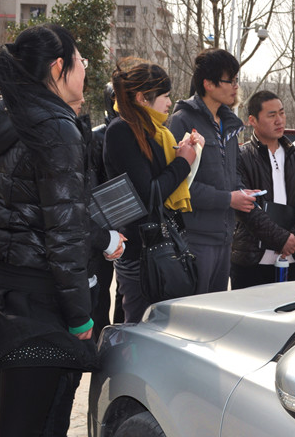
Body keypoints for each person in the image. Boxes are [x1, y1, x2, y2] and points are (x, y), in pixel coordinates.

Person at [0, 24, 124, 437]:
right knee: (39, 424)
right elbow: (63, 232)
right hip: (42, 305)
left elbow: (45, 210)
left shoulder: (15, 118)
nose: (85, 68)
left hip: (8, 291)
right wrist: (80, 316)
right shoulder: (54, 126)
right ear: (57, 68)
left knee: (8, 424)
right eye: (81, 61)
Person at [103, 57, 202, 324]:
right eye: (165, 96)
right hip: (141, 252)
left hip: (160, 246)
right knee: (142, 327)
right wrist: (183, 162)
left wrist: (187, 154)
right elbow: (149, 194)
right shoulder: (122, 130)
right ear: (142, 98)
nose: (170, 102)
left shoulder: (155, 131)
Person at [168, 48, 256, 294]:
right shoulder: (183, 121)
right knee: (192, 311)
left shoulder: (228, 124)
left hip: (225, 238)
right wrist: (228, 199)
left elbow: (232, 173)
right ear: (208, 84)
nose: (236, 87)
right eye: (230, 81)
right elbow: (179, 185)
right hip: (195, 238)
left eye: (237, 80)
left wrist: (241, 192)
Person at [231, 91, 295, 288]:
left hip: (293, 258)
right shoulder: (241, 156)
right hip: (251, 260)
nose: (279, 120)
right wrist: (282, 239)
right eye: (271, 115)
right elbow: (246, 208)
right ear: (252, 120)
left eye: (282, 113)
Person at [90, 82, 125, 335]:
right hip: (101, 226)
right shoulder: (96, 137)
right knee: (100, 292)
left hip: (129, 224)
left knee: (126, 293)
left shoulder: (139, 134)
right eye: (115, 97)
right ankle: (99, 343)